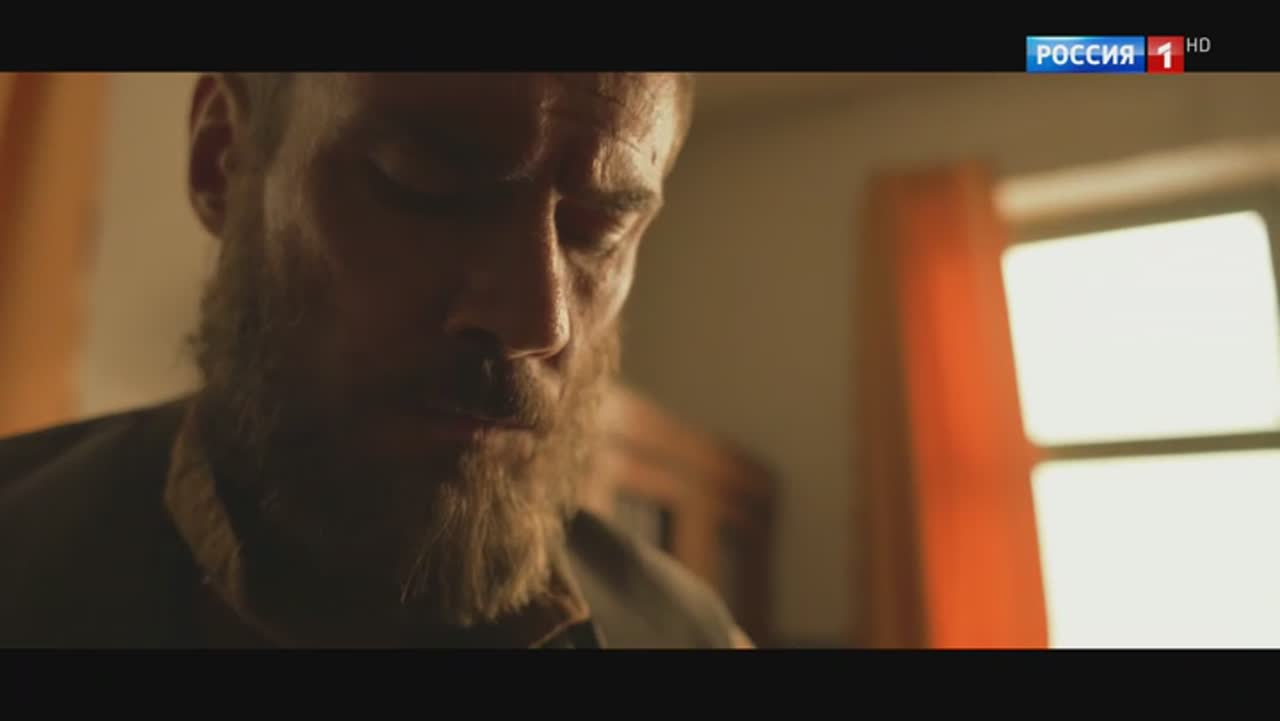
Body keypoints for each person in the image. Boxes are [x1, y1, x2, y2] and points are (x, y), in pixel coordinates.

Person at [0, 72, 753, 649]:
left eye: (596, 229)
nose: (536, 321)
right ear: (222, 158)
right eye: (424, 184)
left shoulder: (692, 636)